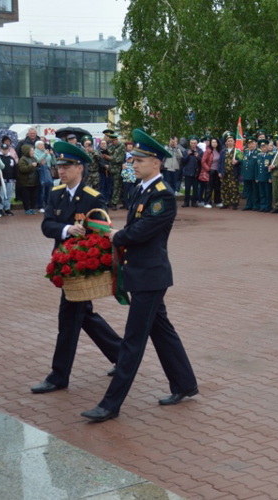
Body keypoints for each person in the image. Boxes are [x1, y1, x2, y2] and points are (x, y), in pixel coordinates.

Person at [80, 129, 199, 422]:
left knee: (133, 342)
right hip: (143, 275)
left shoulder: (163, 196)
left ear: (156, 163)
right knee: (162, 331)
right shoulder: (142, 190)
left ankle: (110, 405)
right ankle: (185, 384)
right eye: (133, 159)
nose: (133, 163)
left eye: (139, 160)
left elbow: (142, 232)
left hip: (150, 278)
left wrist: (116, 235)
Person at [31, 142, 123, 394]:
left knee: (69, 318)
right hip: (65, 266)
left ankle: (59, 376)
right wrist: (66, 229)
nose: (61, 170)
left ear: (79, 168)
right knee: (84, 316)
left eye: (67, 166)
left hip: (82, 268)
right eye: (59, 166)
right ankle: (122, 355)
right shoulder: (55, 194)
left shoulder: (92, 197)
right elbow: (47, 225)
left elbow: (102, 231)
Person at [218, 133, 243, 210]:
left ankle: (234, 203)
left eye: (231, 141)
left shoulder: (237, 151)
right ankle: (225, 202)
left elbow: (241, 160)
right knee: (224, 188)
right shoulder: (223, 151)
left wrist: (237, 161)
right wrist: (219, 172)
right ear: (226, 142)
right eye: (228, 141)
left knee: (233, 188)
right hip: (224, 173)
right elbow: (220, 162)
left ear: (234, 142)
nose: (230, 142)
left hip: (233, 173)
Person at [17, 144, 40, 215]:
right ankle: (27, 209)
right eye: (32, 150)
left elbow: (37, 165)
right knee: (26, 197)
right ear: (27, 151)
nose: (33, 152)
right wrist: (31, 166)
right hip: (26, 181)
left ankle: (33, 208)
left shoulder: (34, 158)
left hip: (34, 181)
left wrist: (39, 164)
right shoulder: (22, 159)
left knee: (34, 196)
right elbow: (22, 169)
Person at [107, 134, 127, 210]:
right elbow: (109, 153)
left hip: (118, 169)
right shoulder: (110, 146)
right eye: (111, 141)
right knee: (110, 186)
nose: (112, 142)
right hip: (110, 168)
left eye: (113, 141)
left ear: (116, 139)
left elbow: (120, 159)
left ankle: (115, 203)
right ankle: (111, 201)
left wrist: (110, 158)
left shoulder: (121, 146)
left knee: (116, 186)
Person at [35, 141, 56, 214]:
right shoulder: (35, 152)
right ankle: (40, 206)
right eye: (41, 145)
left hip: (49, 171)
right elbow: (37, 160)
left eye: (43, 145)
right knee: (42, 190)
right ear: (37, 146)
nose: (43, 146)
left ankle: (48, 205)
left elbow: (54, 163)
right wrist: (44, 154)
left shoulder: (46, 151)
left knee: (49, 190)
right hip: (41, 172)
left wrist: (52, 155)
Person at [180, 136, 202, 208]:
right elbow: (183, 161)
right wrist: (188, 155)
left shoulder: (200, 151)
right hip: (188, 172)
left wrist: (197, 157)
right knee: (187, 188)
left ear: (197, 143)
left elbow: (202, 161)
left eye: (194, 143)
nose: (193, 144)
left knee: (195, 189)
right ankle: (186, 202)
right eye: (192, 143)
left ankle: (194, 202)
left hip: (196, 173)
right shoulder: (186, 151)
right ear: (190, 143)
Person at [202, 137, 222, 208]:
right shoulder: (208, 151)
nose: (214, 143)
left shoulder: (220, 151)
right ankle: (207, 202)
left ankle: (218, 201)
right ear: (210, 143)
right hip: (210, 171)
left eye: (215, 142)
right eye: (213, 142)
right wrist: (208, 169)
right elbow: (203, 161)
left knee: (217, 187)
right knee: (209, 187)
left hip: (218, 171)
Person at [0, 142, 16, 216]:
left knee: (8, 195)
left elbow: (15, 169)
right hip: (2, 180)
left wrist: (14, 178)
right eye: (3, 149)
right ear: (1, 149)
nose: (5, 151)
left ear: (8, 149)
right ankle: (0, 208)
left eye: (6, 149)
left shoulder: (11, 158)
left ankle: (7, 208)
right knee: (1, 195)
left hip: (10, 179)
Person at [255, 138, 273, 212]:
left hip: (267, 177)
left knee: (267, 193)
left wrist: (270, 177)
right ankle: (262, 206)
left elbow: (271, 168)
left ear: (267, 147)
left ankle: (268, 207)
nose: (263, 148)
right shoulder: (259, 155)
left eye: (264, 146)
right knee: (261, 193)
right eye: (262, 147)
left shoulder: (270, 155)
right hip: (260, 177)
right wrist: (256, 177)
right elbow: (256, 167)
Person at [241, 136, 258, 211]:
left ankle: (255, 205)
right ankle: (248, 204)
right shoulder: (246, 152)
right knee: (248, 191)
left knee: (255, 191)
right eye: (249, 143)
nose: (251, 145)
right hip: (246, 175)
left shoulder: (258, 152)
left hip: (254, 175)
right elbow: (243, 162)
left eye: (252, 143)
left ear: (255, 144)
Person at [121, 142, 138, 209]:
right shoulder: (125, 164)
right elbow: (122, 173)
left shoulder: (134, 165)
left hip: (133, 181)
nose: (130, 159)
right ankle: (127, 205)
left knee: (132, 193)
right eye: (128, 158)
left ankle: (131, 204)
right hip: (126, 181)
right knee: (125, 193)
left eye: (131, 158)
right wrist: (127, 176)